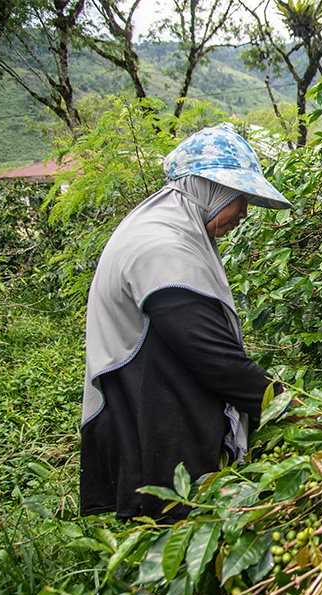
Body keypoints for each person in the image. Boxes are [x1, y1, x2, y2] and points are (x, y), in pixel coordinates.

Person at [79, 126, 291, 520]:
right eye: (240, 198)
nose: (243, 213)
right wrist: (292, 408)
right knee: (169, 552)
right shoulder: (161, 248)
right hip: (156, 436)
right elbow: (215, 359)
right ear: (208, 189)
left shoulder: (161, 229)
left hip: (156, 419)